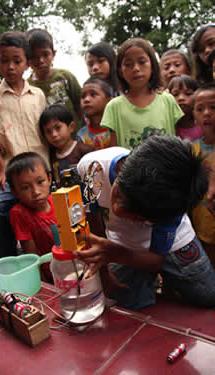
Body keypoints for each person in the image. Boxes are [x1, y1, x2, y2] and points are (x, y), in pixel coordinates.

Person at [75, 136, 215, 311]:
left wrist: (112, 253)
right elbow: (92, 220)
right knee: (125, 303)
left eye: (137, 217)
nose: (117, 210)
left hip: (175, 244)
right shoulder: (92, 168)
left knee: (208, 296)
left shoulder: (171, 206)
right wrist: (104, 267)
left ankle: (170, 286)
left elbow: (156, 260)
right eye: (118, 193)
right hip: (122, 244)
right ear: (123, 171)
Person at [0, 31, 47, 260]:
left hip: (42, 174)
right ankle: (6, 261)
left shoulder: (37, 95)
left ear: (27, 64)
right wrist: (2, 169)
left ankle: (57, 260)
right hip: (13, 177)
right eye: (4, 60)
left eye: (16, 61)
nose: (10, 67)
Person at [101, 38, 183, 150]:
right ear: (120, 71)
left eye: (142, 62)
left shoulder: (168, 100)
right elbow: (114, 152)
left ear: (153, 65)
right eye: (128, 64)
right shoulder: (114, 107)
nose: (136, 68)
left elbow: (179, 143)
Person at [6, 152, 56, 281]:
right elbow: (32, 257)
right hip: (50, 275)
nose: (36, 192)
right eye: (25, 187)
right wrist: (43, 284)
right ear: (14, 191)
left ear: (49, 179)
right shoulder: (19, 214)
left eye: (40, 182)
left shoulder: (60, 201)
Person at [27, 28, 82, 134]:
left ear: (53, 54)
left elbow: (79, 105)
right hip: (49, 143)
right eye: (34, 57)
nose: (41, 60)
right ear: (27, 59)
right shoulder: (28, 86)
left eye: (45, 54)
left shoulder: (66, 77)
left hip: (75, 139)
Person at [39, 104, 93, 188]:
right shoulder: (51, 156)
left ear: (71, 127)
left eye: (58, 128)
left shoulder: (84, 151)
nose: (54, 134)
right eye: (48, 131)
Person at [191, 83, 215, 266]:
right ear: (194, 117)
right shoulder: (192, 150)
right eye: (200, 109)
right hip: (203, 225)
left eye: (213, 107)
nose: (207, 113)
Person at [77, 77, 113, 150]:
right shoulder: (81, 135)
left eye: (93, 94)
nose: (86, 100)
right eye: (83, 96)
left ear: (109, 101)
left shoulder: (117, 130)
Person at [168, 75, 203, 141]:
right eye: (175, 94)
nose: (181, 98)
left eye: (188, 93)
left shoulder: (204, 123)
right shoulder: (168, 126)